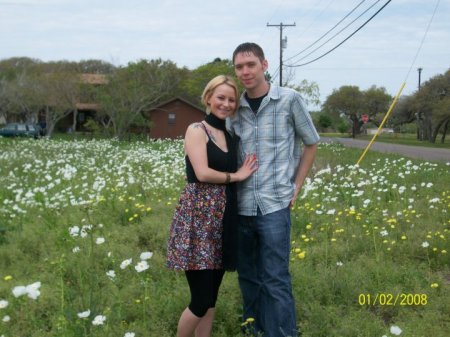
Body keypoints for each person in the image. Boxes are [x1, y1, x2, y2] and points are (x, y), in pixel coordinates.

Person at [228, 42, 320, 337]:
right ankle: (253, 330)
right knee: (248, 277)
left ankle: (282, 333)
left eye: (250, 65)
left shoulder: (289, 99)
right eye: (239, 67)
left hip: (274, 204)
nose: (245, 71)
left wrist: (298, 184)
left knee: (276, 277)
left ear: (264, 65)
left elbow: (311, 142)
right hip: (241, 205)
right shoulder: (233, 108)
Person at [166, 75, 258, 337]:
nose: (226, 104)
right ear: (208, 98)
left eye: (231, 99)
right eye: (220, 97)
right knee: (200, 298)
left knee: (212, 298)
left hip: (222, 218)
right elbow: (203, 173)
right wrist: (237, 176)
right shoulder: (197, 130)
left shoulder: (229, 134)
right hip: (198, 219)